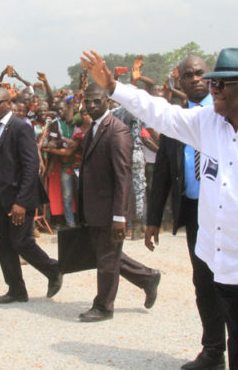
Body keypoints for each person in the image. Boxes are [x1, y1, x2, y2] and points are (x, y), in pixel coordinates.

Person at [81, 48, 238, 370]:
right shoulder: (209, 123)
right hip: (225, 264)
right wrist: (113, 86)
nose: (212, 89)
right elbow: (160, 113)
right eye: (214, 83)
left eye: (221, 85)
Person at [145, 55, 227, 370]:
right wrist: (153, 220)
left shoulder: (224, 114)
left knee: (232, 283)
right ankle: (213, 352)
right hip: (195, 214)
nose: (194, 78)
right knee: (204, 283)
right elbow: (163, 173)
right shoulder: (177, 122)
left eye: (199, 73)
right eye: (187, 75)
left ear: (211, 77)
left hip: (227, 214)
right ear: (179, 82)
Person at [76, 83, 160, 322]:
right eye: (87, 101)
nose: (91, 105)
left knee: (106, 258)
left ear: (108, 101)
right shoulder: (92, 128)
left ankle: (103, 306)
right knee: (106, 254)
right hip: (94, 207)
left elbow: (123, 177)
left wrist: (119, 217)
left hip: (110, 209)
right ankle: (147, 277)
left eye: (96, 101)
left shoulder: (117, 130)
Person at [0, 87, 62, 304]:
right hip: (0, 196)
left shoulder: (20, 127)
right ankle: (16, 290)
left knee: (21, 242)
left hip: (18, 197)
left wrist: (21, 202)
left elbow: (30, 166)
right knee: (4, 245)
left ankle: (53, 269)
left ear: (9, 103)